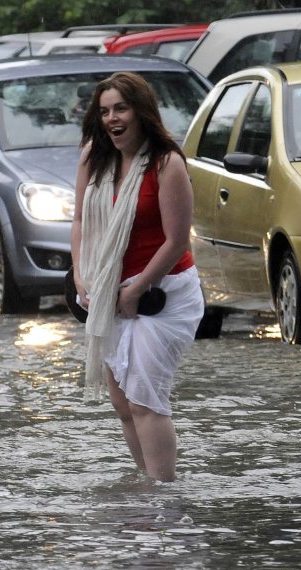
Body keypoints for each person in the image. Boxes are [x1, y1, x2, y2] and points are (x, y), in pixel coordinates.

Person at [69, 72, 203, 482]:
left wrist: (139, 287)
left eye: (121, 108)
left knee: (145, 398)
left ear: (141, 113)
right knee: (123, 402)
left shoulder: (166, 163)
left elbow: (177, 239)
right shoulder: (94, 156)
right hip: (109, 292)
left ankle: (165, 495)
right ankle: (147, 484)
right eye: (105, 110)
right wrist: (80, 277)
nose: (112, 118)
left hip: (163, 295)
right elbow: (78, 220)